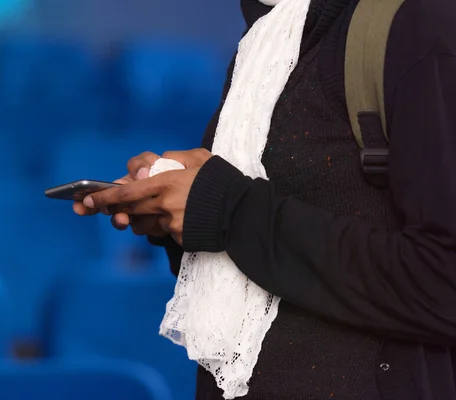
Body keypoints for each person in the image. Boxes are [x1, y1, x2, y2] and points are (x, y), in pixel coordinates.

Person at [74, 0, 456, 398]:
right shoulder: (269, 36)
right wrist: (180, 209)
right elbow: (267, 255)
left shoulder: (417, 23)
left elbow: (444, 283)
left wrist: (227, 207)